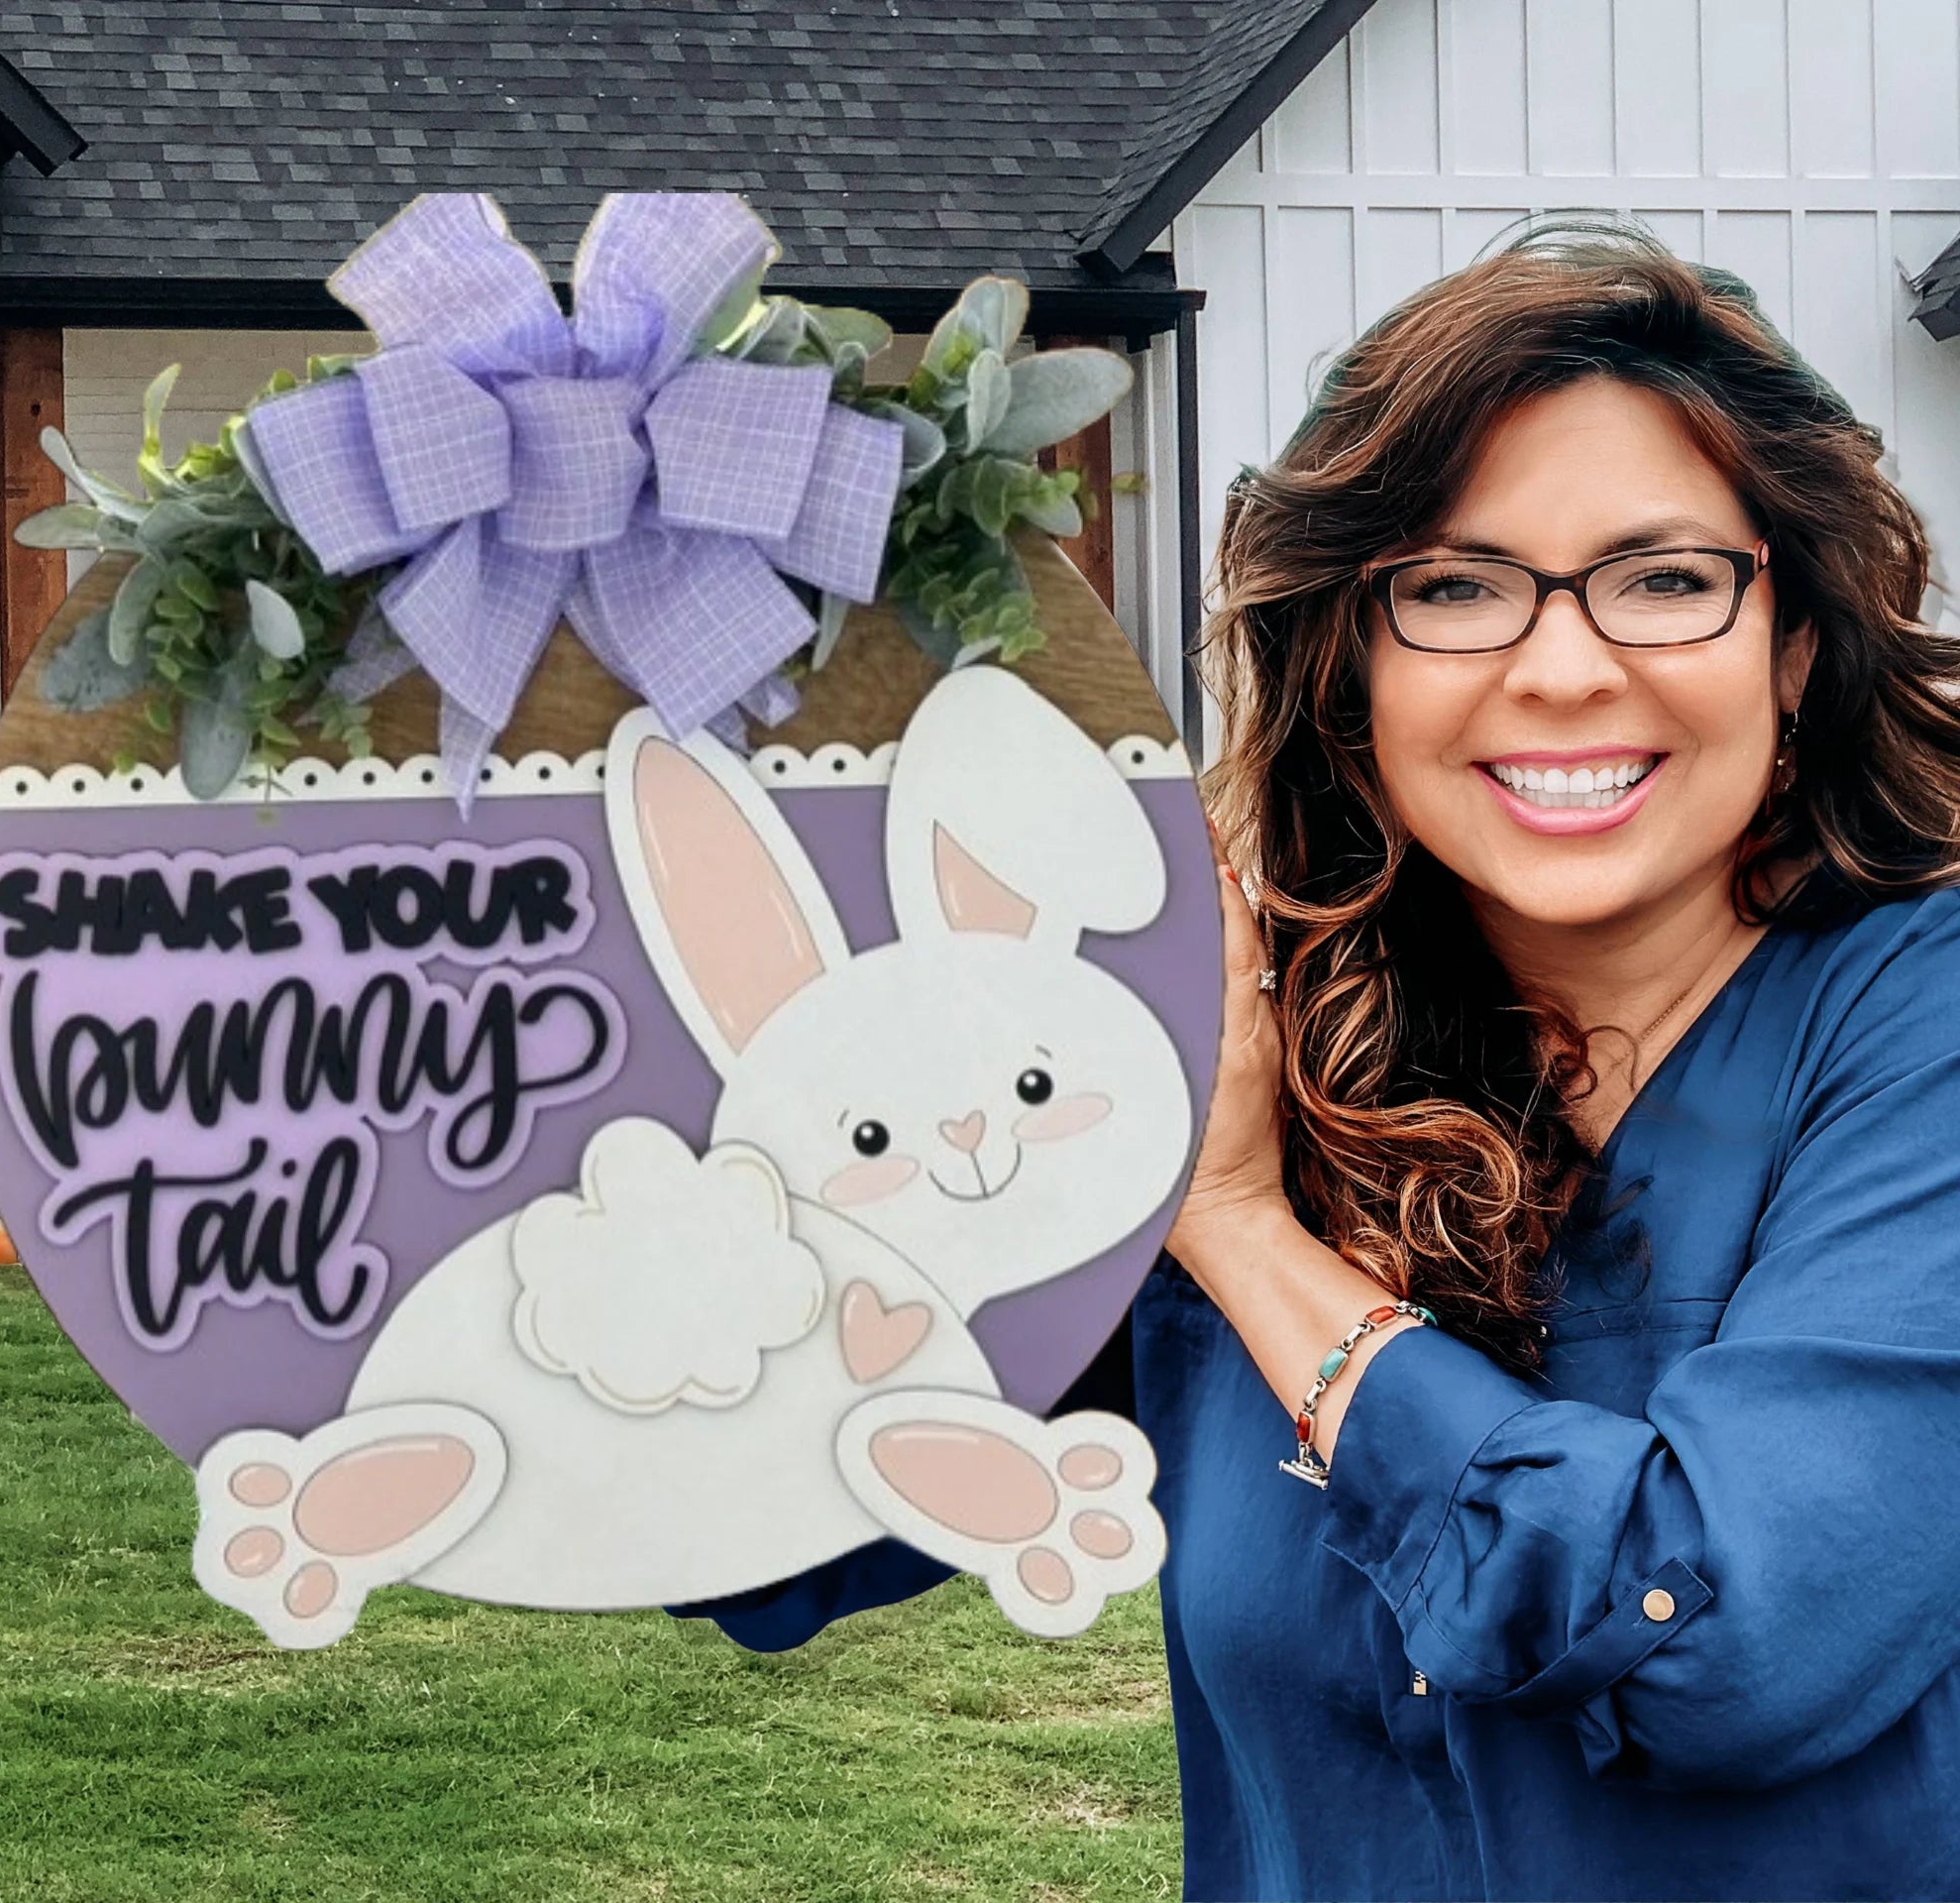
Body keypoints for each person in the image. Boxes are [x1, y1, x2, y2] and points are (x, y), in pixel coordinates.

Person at [675, 223, 1960, 1900]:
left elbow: (1721, 1643)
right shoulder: (1231, 1030)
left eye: (1664, 578)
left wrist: (1237, 1226)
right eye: (1453, 587)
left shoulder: (1913, 1032)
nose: (1563, 668)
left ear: (1790, 649)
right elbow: (788, 1526)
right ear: (1350, 663)